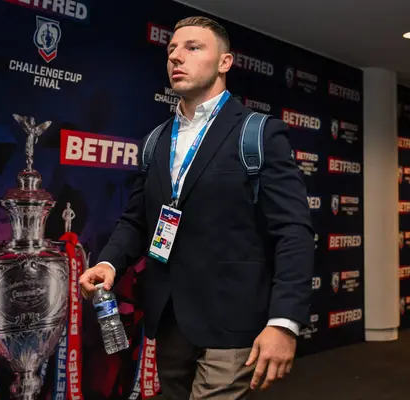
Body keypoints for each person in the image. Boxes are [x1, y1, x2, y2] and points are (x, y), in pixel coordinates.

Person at [78, 16, 314, 400]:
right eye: (171, 50)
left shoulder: (258, 133)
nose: (176, 57)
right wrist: (108, 263)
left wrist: (285, 322)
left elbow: (293, 231)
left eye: (193, 48)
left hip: (235, 325)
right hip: (170, 322)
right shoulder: (156, 140)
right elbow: (137, 220)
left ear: (225, 62)